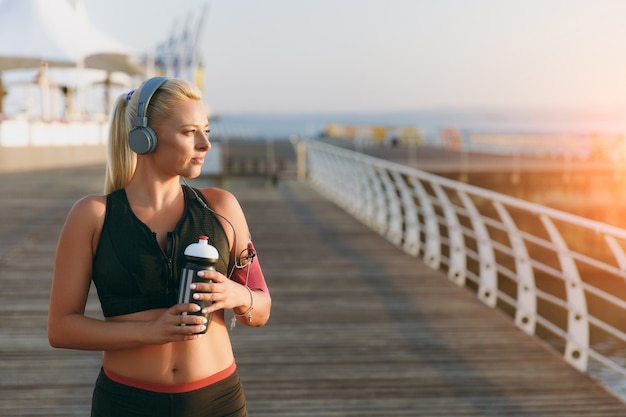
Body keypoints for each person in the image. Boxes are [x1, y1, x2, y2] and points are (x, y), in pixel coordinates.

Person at [48, 76, 271, 417]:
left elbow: (262, 307)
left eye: (207, 131)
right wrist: (148, 332)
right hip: (126, 402)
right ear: (144, 138)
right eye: (189, 132)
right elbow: (61, 328)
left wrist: (238, 296)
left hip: (218, 401)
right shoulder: (92, 216)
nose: (205, 144)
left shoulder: (222, 209)